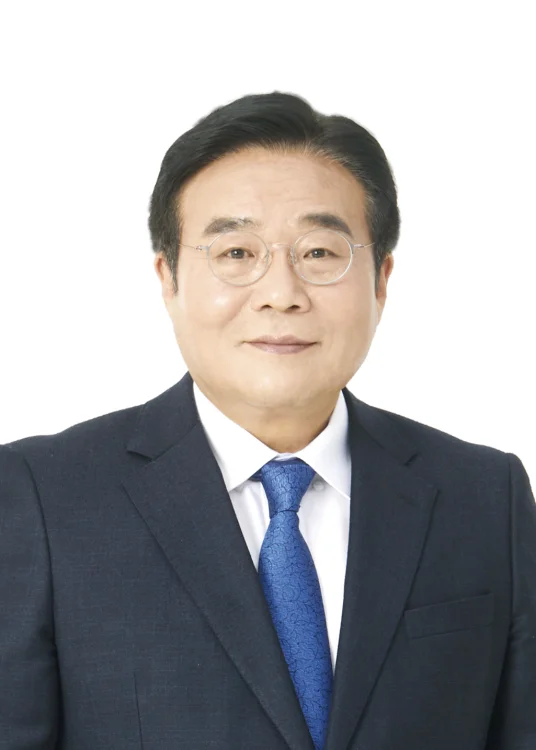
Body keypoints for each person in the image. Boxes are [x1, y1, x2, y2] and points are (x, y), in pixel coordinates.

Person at [1, 91, 534, 750]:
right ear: (168, 278)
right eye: (235, 253)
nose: (281, 294)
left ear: (381, 280)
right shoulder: (40, 498)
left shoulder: (484, 497)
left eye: (320, 253)